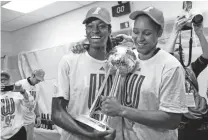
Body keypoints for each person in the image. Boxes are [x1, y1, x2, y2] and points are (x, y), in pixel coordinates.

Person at [100, 6, 188, 140]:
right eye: (135, 32)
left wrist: (121, 110)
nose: (139, 38)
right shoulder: (130, 57)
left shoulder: (170, 66)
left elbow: (172, 120)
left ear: (159, 33)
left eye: (147, 33)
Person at [51, 7, 116, 140]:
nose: (95, 30)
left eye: (101, 26)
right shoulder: (69, 61)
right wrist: (89, 135)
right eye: (90, 26)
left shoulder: (119, 63)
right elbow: (57, 113)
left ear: (110, 30)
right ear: (86, 31)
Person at [166, 15, 208, 140]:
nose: (180, 53)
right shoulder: (168, 74)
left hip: (203, 118)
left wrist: (199, 33)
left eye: (181, 52)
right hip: (184, 123)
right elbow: (167, 57)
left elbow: (206, 56)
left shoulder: (190, 70)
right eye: (176, 52)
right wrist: (175, 31)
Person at [1, 71, 34, 140]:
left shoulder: (17, 92)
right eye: (0, 79)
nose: (3, 81)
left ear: (9, 80)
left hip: (17, 132)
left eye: (5, 79)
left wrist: (23, 92)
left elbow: (30, 104)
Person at [15, 69, 45, 140]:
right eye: (37, 79)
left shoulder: (37, 87)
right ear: (33, 75)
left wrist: (37, 116)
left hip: (30, 120)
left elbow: (35, 102)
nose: (39, 82)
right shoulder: (20, 84)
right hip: (20, 121)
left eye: (40, 80)